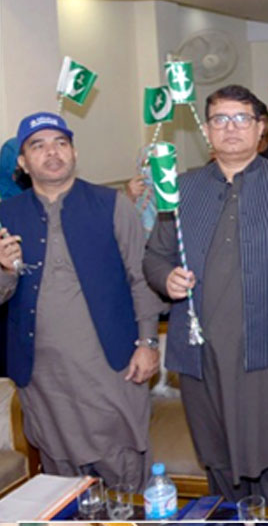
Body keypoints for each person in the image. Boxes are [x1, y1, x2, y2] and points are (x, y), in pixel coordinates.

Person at [144, 85, 268, 509]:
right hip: (202, 357)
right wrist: (165, 277)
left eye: (242, 118)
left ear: (261, 128)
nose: (231, 128)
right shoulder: (181, 187)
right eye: (220, 119)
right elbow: (154, 256)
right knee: (220, 467)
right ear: (206, 130)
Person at [0, 112, 165, 491]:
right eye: (37, 146)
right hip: (42, 373)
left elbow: (140, 279)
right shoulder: (6, 216)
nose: (51, 153)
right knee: (62, 476)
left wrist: (148, 342)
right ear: (23, 163)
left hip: (111, 365)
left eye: (60, 143)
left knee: (122, 463)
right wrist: (6, 270)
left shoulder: (111, 204)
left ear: (74, 152)